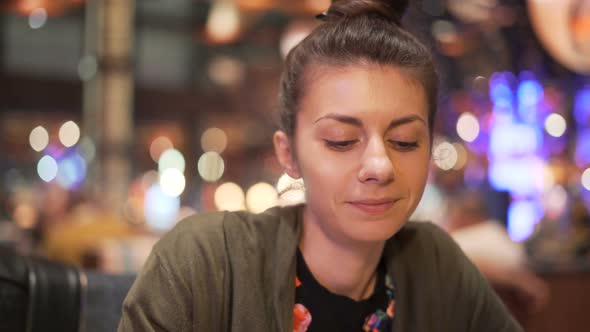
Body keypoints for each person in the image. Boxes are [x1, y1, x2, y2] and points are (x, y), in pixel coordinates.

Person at [118, 1, 523, 331]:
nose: (380, 166)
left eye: (404, 141)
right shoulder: (206, 263)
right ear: (288, 153)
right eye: (341, 141)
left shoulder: (435, 265)